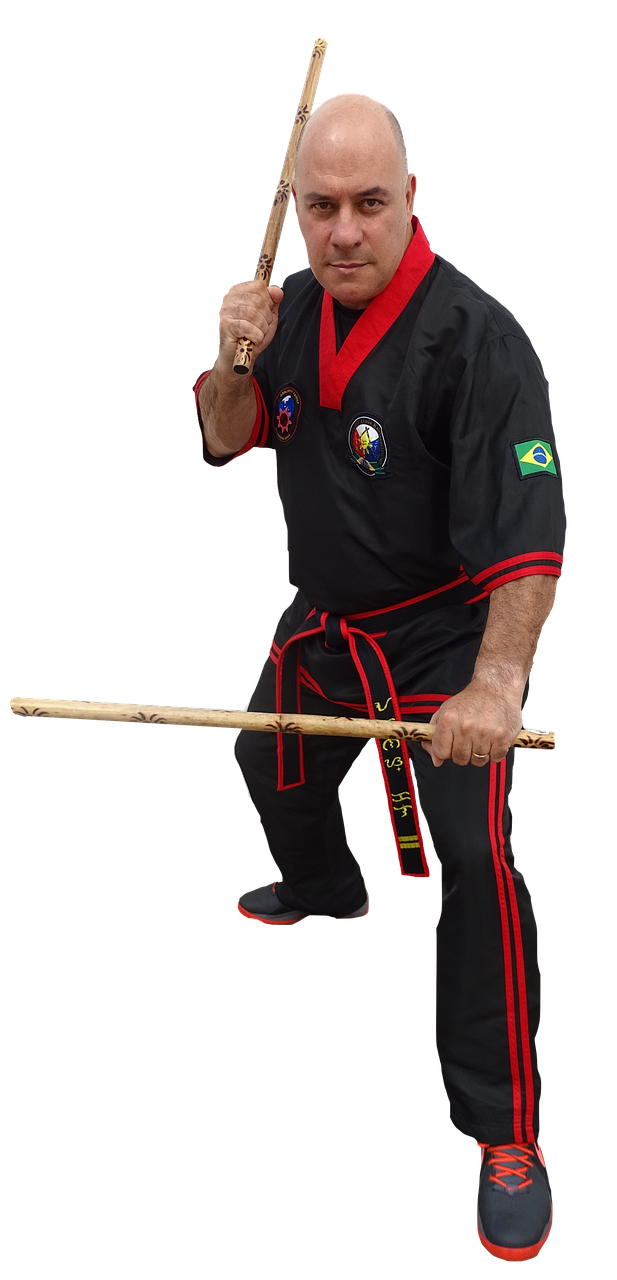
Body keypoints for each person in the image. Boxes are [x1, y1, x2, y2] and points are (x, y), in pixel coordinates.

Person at [193, 93, 564, 1263]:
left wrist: (495, 683)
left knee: (471, 853)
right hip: (326, 623)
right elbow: (222, 436)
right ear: (296, 212)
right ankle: (324, 888)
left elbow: (528, 544)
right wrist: (228, 352)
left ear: (411, 198)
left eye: (368, 202)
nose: (344, 230)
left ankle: (506, 1132)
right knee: (266, 755)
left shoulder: (482, 340)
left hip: (446, 637)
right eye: (321, 207)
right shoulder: (285, 309)